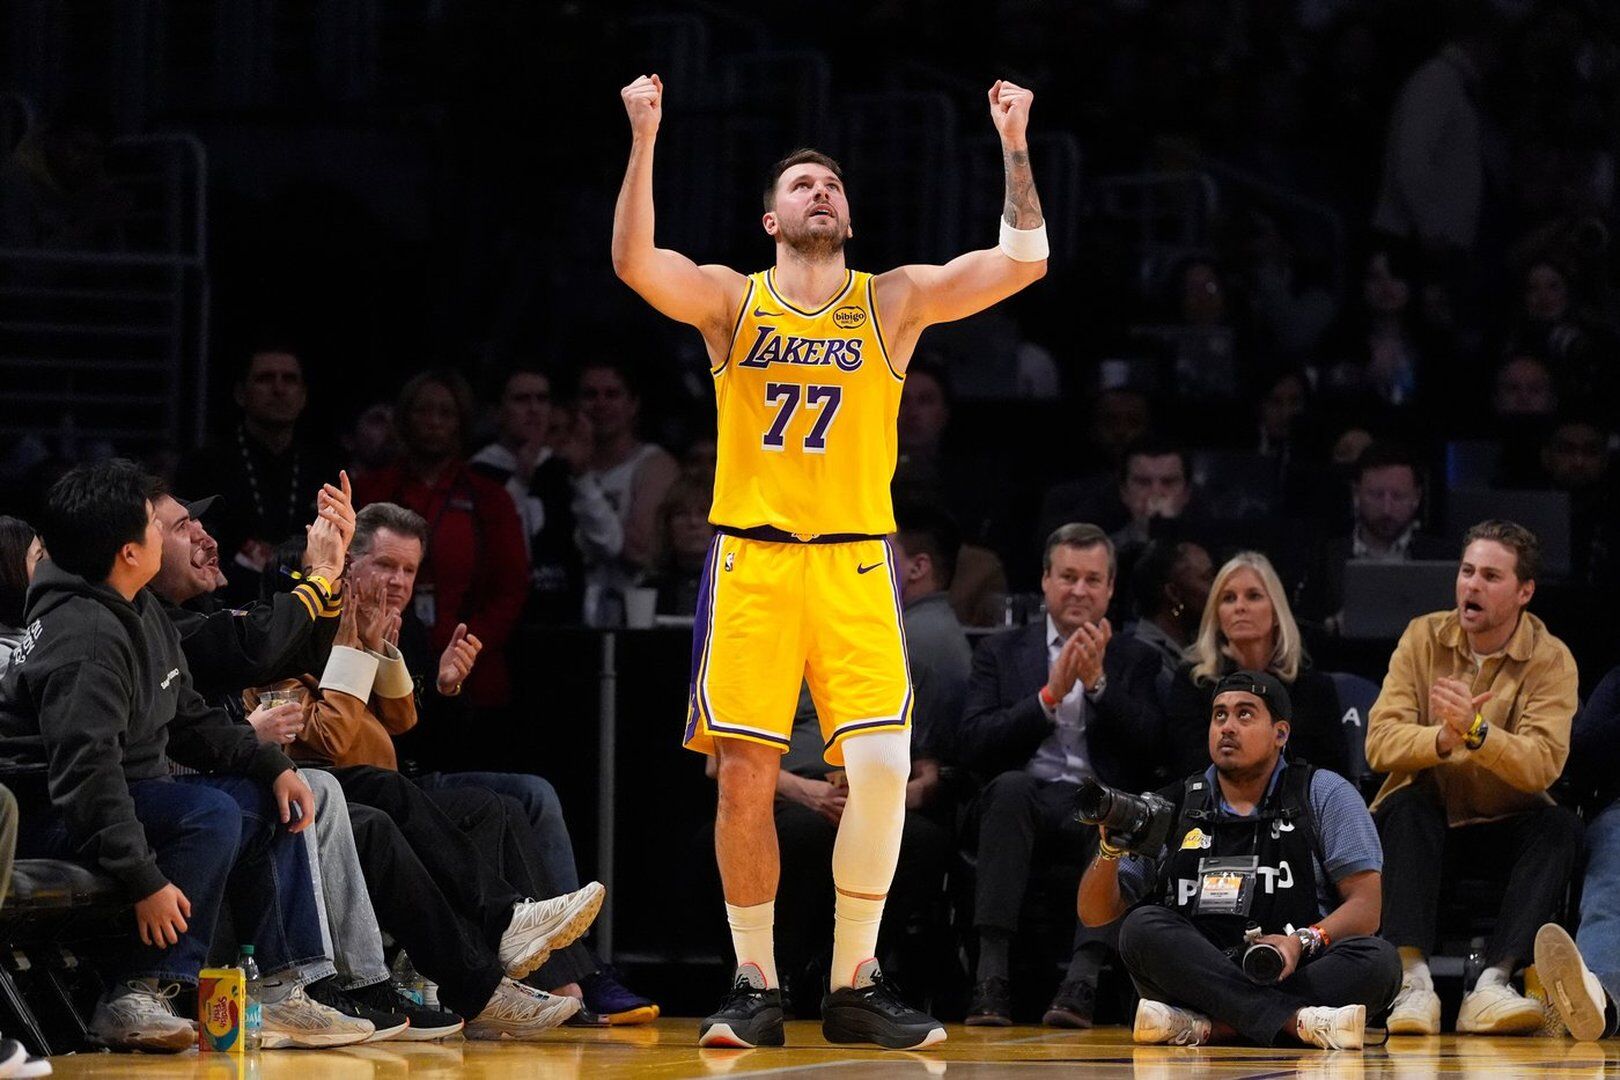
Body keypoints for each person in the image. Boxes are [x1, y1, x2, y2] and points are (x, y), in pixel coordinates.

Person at [613, 70, 1048, 1049]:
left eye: (834, 185)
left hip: (855, 562)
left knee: (884, 767)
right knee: (744, 775)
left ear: (847, 218)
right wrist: (645, 136)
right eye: (803, 184)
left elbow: (1024, 260)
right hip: (755, 562)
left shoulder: (890, 302)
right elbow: (635, 260)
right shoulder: (734, 302)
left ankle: (856, 979)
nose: (823, 191)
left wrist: (1014, 140)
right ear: (770, 219)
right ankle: (755, 982)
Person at [0, 460, 370, 1052]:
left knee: (268, 801)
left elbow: (189, 717)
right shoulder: (85, 638)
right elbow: (86, 780)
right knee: (209, 813)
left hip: (112, 797)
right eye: (155, 523)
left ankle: (281, 989)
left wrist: (272, 765)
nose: (173, 531)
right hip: (47, 814)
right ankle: (137, 992)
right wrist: (144, 879)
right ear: (128, 551)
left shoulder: (134, 606)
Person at [267, 503, 659, 1024]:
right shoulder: (305, 628)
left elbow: (407, 724)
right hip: (348, 786)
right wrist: (357, 644)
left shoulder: (398, 624)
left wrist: (438, 683)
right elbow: (335, 742)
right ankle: (526, 957)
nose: (398, 581)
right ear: (348, 565)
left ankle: (544, 957)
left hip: (397, 777)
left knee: (510, 802)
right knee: (435, 804)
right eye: (385, 565)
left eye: (409, 570)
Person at [1077, 671, 1400, 1050]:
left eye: (1245, 714)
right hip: (1198, 974)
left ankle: (1207, 1028)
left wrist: (1300, 942)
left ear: (1280, 733)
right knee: (1140, 927)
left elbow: (1367, 907)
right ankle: (1298, 1022)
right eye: (1219, 715)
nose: (1227, 727)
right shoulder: (1171, 804)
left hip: (1294, 966)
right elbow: (1095, 914)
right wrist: (1109, 851)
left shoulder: (1325, 793)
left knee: (1381, 961)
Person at [1365, 520, 1582, 1036]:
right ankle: (1413, 983)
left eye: (1490, 576)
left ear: (1524, 591)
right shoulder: (1422, 636)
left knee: (1561, 828)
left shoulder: (1551, 659)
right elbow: (1379, 743)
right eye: (1467, 572)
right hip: (1432, 823)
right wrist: (1443, 739)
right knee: (1404, 807)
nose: (1472, 586)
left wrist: (1478, 731)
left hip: (1505, 825)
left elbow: (1543, 763)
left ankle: (1493, 984)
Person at [955, 524, 1164, 1028]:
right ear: (1046, 580)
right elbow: (973, 743)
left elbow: (1152, 747)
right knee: (1010, 788)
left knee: (1111, 807)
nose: (1079, 590)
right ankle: (990, 979)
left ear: (1110, 589)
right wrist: (1048, 697)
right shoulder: (1000, 652)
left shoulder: (1137, 658)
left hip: (1093, 804)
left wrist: (1098, 685)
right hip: (1022, 802)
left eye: (1092, 580)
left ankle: (1082, 983)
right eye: (1068, 577)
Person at [354, 369, 529, 719]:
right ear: (404, 418)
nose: (434, 422)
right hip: (376, 658)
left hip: (472, 667)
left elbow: (510, 590)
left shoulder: (490, 498)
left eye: (446, 413)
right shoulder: (370, 489)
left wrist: (468, 647)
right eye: (423, 411)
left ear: (462, 422)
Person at [1164, 552, 1351, 780]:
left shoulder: (1314, 688)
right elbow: (1188, 767)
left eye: (1253, 596)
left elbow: (1334, 775)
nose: (1240, 607)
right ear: (1217, 615)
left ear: (1276, 612)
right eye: (1229, 598)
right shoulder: (1194, 681)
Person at [175, 346, 340, 604]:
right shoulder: (203, 466)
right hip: (223, 601)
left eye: (289, 379)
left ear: (303, 396)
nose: (279, 389)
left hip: (308, 599)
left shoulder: (325, 468)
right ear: (241, 394)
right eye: (265, 378)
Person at [469, 364, 620, 623]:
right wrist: (520, 481)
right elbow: (492, 555)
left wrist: (582, 476)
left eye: (542, 399)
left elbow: (609, 544)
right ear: (497, 412)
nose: (534, 409)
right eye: (522, 399)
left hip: (565, 620)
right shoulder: (478, 473)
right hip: (505, 623)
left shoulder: (563, 468)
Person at [1295, 441, 1450, 631]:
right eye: (1376, 495)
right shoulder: (1324, 557)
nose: (1386, 509)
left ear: (1416, 498)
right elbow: (1302, 625)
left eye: (1398, 496)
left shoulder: (1444, 558)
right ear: (1356, 494)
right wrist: (1331, 626)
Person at [574, 359, 680, 626]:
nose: (601, 404)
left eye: (612, 394)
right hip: (572, 607)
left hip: (632, 614)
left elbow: (640, 550)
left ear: (633, 404)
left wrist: (582, 479)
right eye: (590, 395)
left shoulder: (654, 464)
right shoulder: (557, 463)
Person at [1129, 539, 1214, 686]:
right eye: (1207, 578)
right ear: (1174, 593)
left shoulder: (1198, 641)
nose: (1217, 587)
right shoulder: (1147, 662)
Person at [645, 470, 717, 617]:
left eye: (703, 513)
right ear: (667, 525)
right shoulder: (649, 591)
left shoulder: (738, 586)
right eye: (682, 513)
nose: (693, 522)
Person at [0, 517, 45, 666]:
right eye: (39, 559)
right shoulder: (4, 661)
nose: (47, 568)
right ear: (12, 570)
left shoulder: (39, 625)